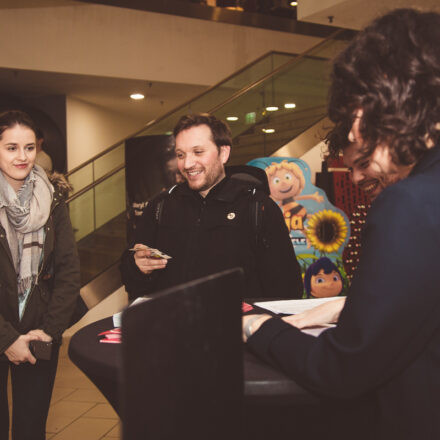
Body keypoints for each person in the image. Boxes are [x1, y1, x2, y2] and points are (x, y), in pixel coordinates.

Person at [243, 9, 440, 440]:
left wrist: (261, 328)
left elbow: (341, 369)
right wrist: (350, 306)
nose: (353, 175)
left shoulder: (409, 202)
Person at [120, 113, 303, 300]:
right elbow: (131, 278)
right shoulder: (161, 206)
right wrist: (137, 267)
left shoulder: (258, 208)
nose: (187, 164)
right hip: (174, 325)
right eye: (180, 155)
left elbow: (286, 288)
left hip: (237, 327)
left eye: (198, 152)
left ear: (223, 153)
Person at [0, 111, 80, 440]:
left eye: (29, 147)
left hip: (39, 331)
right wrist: (7, 340)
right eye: (11, 147)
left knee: (31, 430)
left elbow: (68, 271)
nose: (22, 157)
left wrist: (49, 331)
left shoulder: (55, 199)